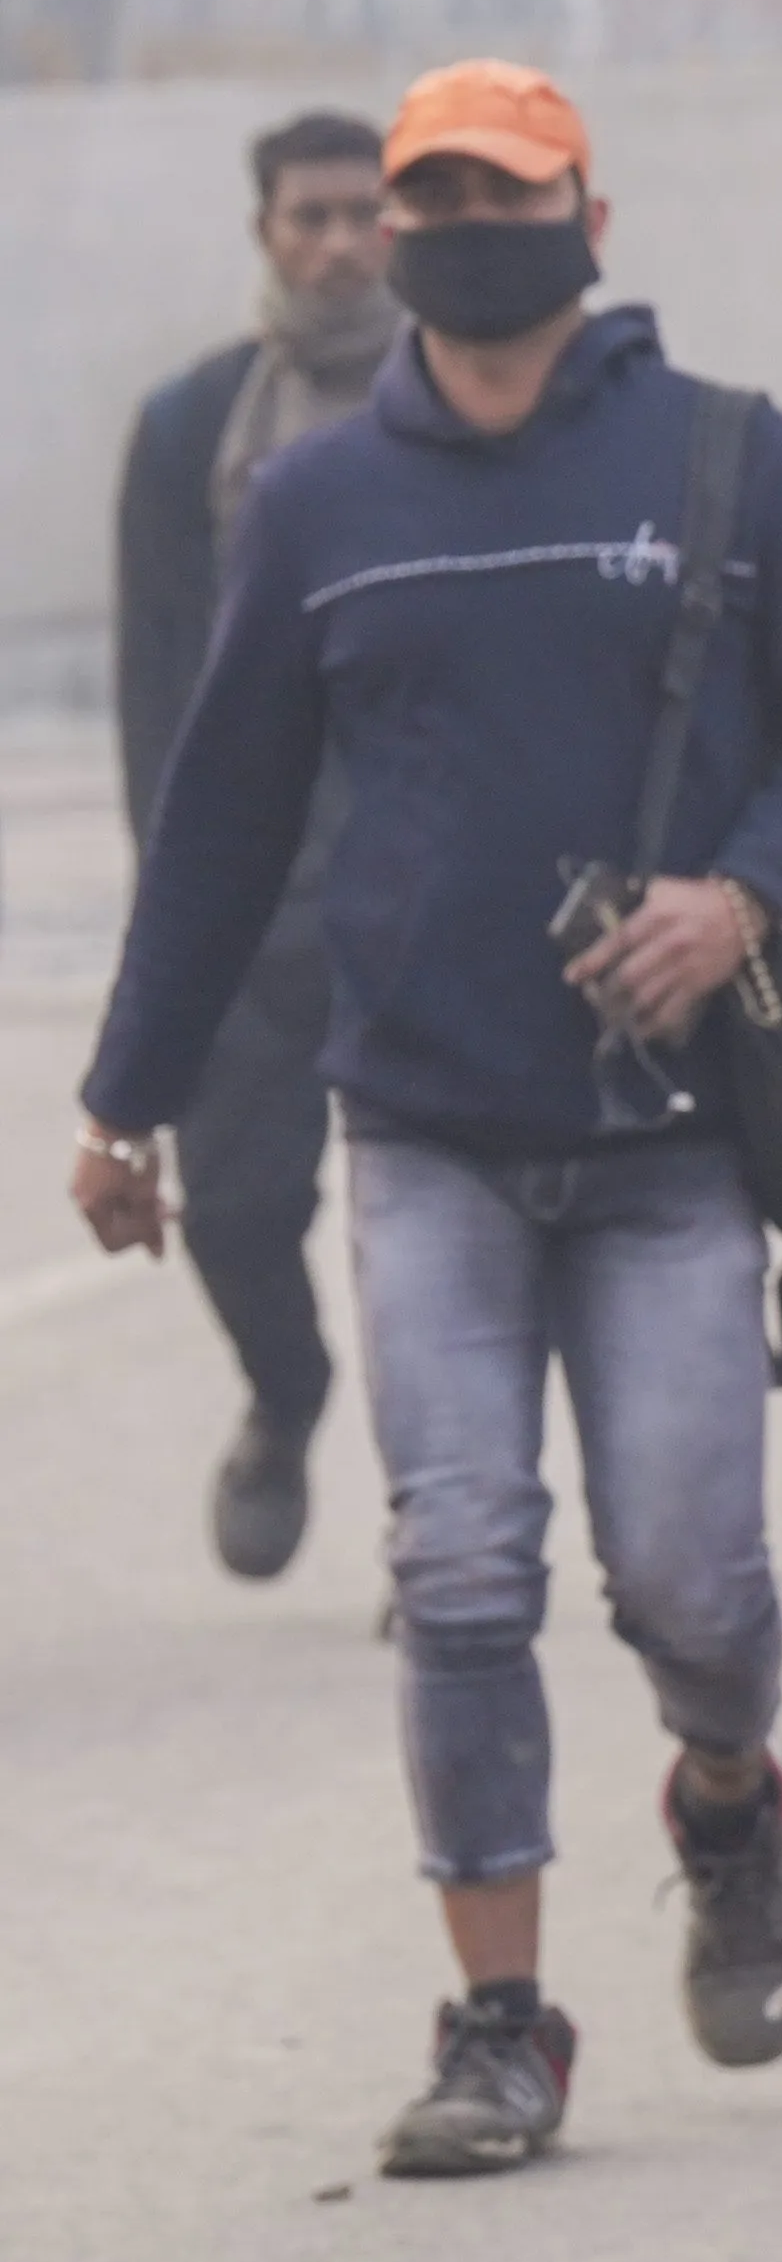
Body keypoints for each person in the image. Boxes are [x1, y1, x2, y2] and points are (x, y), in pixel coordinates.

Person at [67, 60, 782, 2176]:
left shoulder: (725, 453)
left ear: (590, 223)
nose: (460, 230)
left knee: (692, 1581)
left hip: (671, 1143)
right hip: (424, 1131)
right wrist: (126, 1099)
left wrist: (740, 898)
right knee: (456, 1567)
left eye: (502, 194)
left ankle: (729, 1801)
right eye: (430, 198)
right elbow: (222, 817)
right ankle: (501, 2028)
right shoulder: (317, 504)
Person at [113, 106, 394, 1577]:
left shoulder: (466, 405)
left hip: (426, 892)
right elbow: (156, 691)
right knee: (230, 1210)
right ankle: (286, 1397)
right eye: (312, 217)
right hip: (253, 901)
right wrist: (177, 919)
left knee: (438, 1231)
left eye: (366, 213)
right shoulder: (191, 429)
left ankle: (446, 1531)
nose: (342, 244)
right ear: (266, 234)